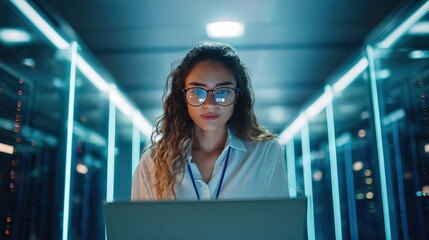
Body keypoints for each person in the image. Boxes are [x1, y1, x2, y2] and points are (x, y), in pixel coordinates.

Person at [131, 41, 292, 200]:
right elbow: (138, 226)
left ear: (238, 96)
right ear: (183, 96)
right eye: (197, 91)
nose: (210, 104)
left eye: (222, 92)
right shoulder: (153, 162)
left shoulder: (265, 153)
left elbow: (281, 223)